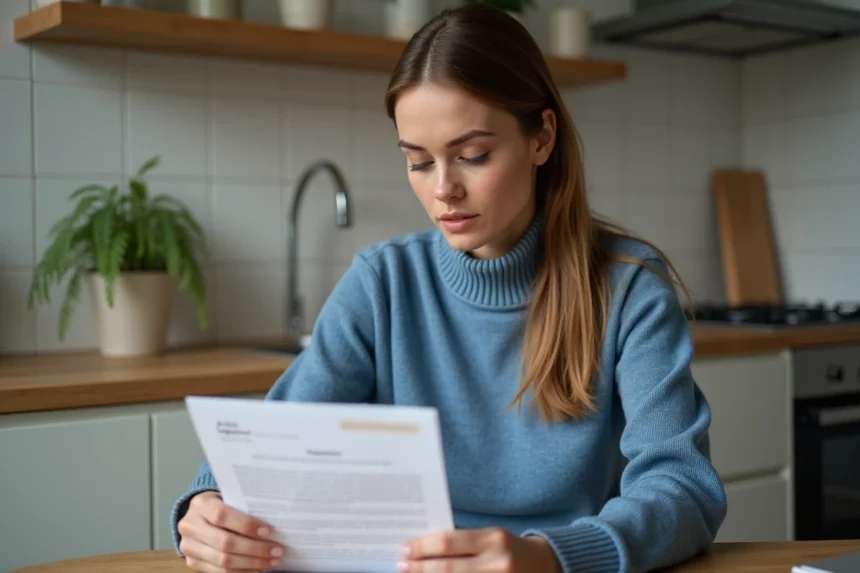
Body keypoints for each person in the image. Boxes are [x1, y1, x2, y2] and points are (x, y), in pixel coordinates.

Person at [171, 4, 727, 572]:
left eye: (472, 156)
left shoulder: (630, 288)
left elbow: (683, 488)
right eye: (418, 162)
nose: (444, 190)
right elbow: (275, 441)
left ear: (542, 139)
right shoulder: (382, 284)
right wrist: (206, 505)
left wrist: (549, 557)